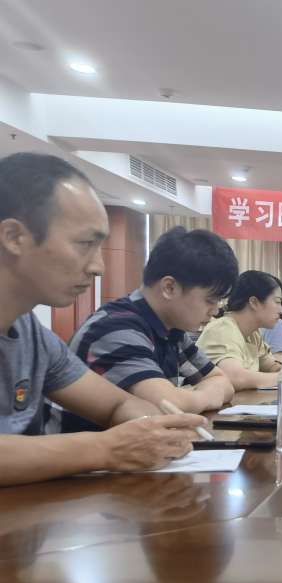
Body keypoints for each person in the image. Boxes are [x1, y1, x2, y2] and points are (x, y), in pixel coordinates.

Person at [0, 152, 204, 485]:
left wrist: (156, 429)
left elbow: (116, 404)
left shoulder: (30, 332)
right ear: (13, 237)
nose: (98, 267)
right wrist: (105, 449)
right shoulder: (117, 323)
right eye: (85, 244)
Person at [59, 226, 236, 433]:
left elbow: (222, 381)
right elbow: (167, 405)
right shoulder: (115, 328)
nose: (215, 311)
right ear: (169, 287)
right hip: (90, 452)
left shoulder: (172, 330)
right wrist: (205, 396)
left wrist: (194, 398)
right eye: (210, 300)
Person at [197, 270, 282, 391]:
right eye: (277, 302)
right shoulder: (223, 328)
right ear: (254, 302)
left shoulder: (253, 334)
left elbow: (271, 366)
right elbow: (235, 378)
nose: (281, 310)